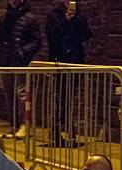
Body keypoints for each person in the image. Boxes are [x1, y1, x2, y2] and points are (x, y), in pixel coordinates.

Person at [45, 0, 92, 146]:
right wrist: (65, 20)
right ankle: (57, 132)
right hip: (59, 62)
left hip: (74, 61)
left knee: (69, 98)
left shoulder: (80, 16)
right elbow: (53, 35)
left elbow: (86, 34)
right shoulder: (54, 15)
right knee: (60, 98)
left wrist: (76, 19)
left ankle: (70, 132)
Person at [0, 0, 42, 137]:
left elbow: (36, 41)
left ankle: (24, 125)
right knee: (10, 96)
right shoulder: (4, 18)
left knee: (22, 95)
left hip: (21, 63)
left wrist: (23, 52)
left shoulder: (30, 19)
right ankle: (14, 125)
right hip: (6, 61)